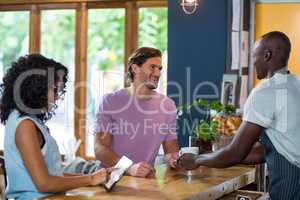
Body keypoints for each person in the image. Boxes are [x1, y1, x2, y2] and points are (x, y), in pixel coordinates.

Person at [178, 31, 300, 199]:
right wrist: (213, 156)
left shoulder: (266, 92)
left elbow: (236, 153)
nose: (253, 62)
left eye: (254, 56)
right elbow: (264, 150)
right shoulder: (295, 85)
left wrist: (198, 160)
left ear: (267, 55)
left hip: (291, 186)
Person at [1, 54, 110, 199]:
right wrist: (90, 179)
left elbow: (52, 174)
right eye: (54, 90)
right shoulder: (25, 126)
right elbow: (44, 184)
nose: (57, 97)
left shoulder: (23, 119)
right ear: (36, 87)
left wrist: (92, 178)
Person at [94, 47, 180, 178]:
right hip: (110, 181)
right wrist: (128, 168)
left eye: (160, 68)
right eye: (152, 67)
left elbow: (171, 150)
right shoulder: (111, 102)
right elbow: (100, 149)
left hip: (144, 182)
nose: (157, 73)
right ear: (135, 68)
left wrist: (176, 160)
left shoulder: (167, 106)